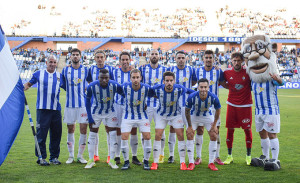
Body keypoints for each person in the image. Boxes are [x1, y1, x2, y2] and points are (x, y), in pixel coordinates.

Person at [242, 35, 284, 170]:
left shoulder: (271, 77)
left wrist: (278, 79)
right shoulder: (253, 79)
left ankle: (275, 159)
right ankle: (265, 156)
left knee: (272, 134)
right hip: (258, 110)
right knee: (262, 133)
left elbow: (281, 82)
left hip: (271, 109)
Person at [150, 71, 194, 170]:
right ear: (163, 81)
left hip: (175, 114)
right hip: (161, 114)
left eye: (171, 80)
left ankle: (182, 162)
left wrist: (198, 93)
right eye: (167, 81)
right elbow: (147, 92)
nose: (169, 83)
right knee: (158, 135)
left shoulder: (179, 88)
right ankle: (155, 162)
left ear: (174, 81)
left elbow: (188, 91)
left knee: (180, 135)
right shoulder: (157, 88)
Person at [24, 55, 62, 165]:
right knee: (41, 135)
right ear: (46, 62)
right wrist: (22, 88)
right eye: (50, 62)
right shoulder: (38, 74)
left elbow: (68, 87)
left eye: (54, 62)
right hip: (42, 109)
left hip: (56, 110)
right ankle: (41, 157)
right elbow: (28, 84)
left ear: (56, 63)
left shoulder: (60, 76)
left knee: (56, 135)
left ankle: (54, 157)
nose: (52, 64)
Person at [84, 69, 124, 169]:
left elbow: (125, 94)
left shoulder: (115, 85)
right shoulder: (92, 86)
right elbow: (87, 101)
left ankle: (111, 160)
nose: (104, 80)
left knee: (113, 135)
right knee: (92, 134)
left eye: (106, 78)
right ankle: (90, 160)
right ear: (98, 78)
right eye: (102, 78)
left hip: (110, 112)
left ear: (109, 78)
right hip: (96, 112)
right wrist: (89, 116)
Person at [194, 50, 226, 165]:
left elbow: (225, 84)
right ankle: (198, 157)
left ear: (213, 59)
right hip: (200, 107)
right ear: (203, 59)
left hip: (213, 107)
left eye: (210, 57)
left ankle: (216, 156)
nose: (208, 59)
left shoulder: (218, 72)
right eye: (206, 57)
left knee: (216, 131)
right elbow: (192, 84)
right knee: (200, 130)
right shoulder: (197, 71)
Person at [120, 69, 155, 170]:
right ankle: (126, 162)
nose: (135, 80)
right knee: (124, 136)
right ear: (130, 78)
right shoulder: (124, 87)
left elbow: (155, 93)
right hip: (128, 115)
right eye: (133, 78)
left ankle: (146, 161)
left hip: (142, 116)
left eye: (137, 77)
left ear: (141, 78)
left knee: (147, 136)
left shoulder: (147, 88)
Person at [222, 52, 253, 165]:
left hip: (245, 106)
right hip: (232, 105)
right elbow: (222, 82)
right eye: (234, 61)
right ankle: (229, 156)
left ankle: (248, 156)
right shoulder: (226, 72)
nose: (236, 63)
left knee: (247, 130)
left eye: (238, 60)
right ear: (231, 61)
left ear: (242, 61)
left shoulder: (248, 72)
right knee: (230, 130)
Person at [185, 78, 222, 171]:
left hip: (207, 116)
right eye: (201, 87)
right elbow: (187, 111)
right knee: (189, 134)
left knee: (214, 134)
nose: (203, 89)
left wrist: (214, 125)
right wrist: (189, 126)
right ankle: (191, 162)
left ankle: (211, 163)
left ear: (208, 87)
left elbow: (218, 110)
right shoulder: (192, 96)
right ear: (198, 87)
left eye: (205, 87)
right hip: (195, 116)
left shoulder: (213, 97)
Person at [167, 51, 197, 163]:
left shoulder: (191, 70)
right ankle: (171, 155)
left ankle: (190, 155)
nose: (181, 59)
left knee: (190, 129)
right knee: (173, 129)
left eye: (182, 58)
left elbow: (194, 81)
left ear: (186, 59)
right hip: (174, 105)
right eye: (178, 58)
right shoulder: (171, 70)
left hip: (187, 105)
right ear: (175, 59)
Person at [113, 51, 141, 165]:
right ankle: (117, 156)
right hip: (118, 105)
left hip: (131, 106)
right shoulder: (114, 72)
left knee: (134, 130)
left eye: (126, 60)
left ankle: (134, 156)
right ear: (119, 61)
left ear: (130, 60)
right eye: (123, 60)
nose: (125, 62)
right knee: (118, 130)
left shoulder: (135, 73)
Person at [139, 49, 167, 162]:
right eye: (152, 54)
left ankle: (161, 154)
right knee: (144, 130)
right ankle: (145, 153)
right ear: (148, 56)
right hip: (146, 105)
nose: (154, 56)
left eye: (156, 54)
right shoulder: (142, 69)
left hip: (160, 105)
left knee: (161, 131)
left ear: (159, 56)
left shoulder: (165, 70)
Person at [86, 50, 115, 163]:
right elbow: (89, 82)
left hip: (108, 105)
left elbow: (112, 84)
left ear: (105, 58)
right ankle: (95, 155)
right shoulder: (91, 69)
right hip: (95, 105)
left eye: (101, 57)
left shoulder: (110, 69)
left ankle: (109, 155)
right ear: (94, 58)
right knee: (94, 129)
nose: (99, 59)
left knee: (109, 130)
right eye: (97, 57)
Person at [61, 48, 89, 164]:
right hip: (70, 105)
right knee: (70, 129)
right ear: (70, 57)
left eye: (77, 54)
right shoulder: (65, 70)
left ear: (80, 56)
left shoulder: (86, 70)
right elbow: (63, 85)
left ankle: (80, 156)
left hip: (82, 105)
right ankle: (71, 156)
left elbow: (90, 83)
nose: (75, 56)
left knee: (83, 129)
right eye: (73, 55)